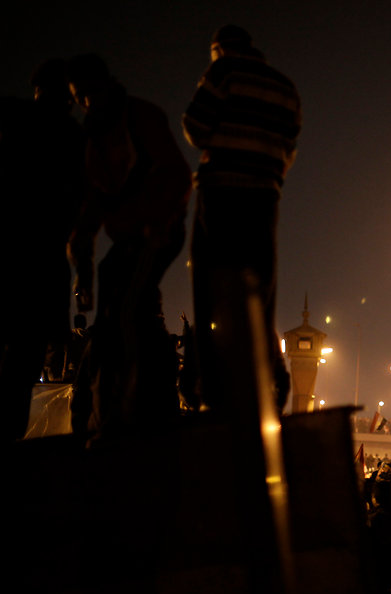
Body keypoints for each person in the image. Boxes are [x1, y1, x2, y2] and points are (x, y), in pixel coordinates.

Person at [65, 54, 191, 444]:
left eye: (91, 94)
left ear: (107, 85)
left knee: (126, 312)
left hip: (158, 230)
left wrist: (157, 222)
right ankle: (106, 414)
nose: (87, 103)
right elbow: (90, 206)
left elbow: (177, 174)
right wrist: (83, 269)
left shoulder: (140, 117)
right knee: (112, 316)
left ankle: (127, 415)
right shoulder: (92, 140)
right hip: (125, 238)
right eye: (80, 98)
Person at [183, 25, 301, 414]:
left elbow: (196, 128)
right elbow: (289, 145)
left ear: (219, 49)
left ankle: (209, 390)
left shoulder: (223, 71)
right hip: (265, 197)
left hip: (220, 191)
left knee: (208, 287)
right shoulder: (285, 87)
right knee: (260, 289)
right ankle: (272, 380)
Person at [0, 59, 85, 442]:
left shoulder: (15, 117)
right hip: (44, 263)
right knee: (23, 359)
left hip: (12, 252)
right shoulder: (73, 136)